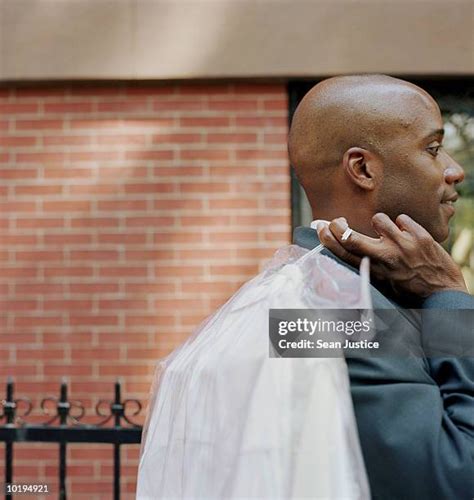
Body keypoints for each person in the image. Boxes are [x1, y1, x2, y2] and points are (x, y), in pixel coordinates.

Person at [288, 74, 474, 499]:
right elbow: (458, 480)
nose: (454, 169)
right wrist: (449, 294)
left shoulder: (355, 285)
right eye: (432, 149)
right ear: (363, 169)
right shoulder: (326, 306)